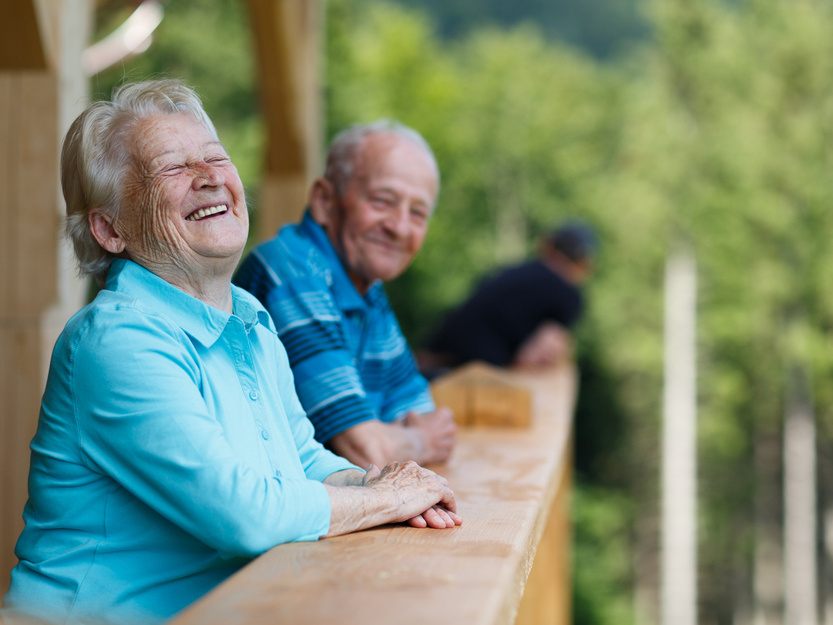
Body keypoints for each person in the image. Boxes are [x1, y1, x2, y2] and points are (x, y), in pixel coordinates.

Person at [0, 80, 461, 625]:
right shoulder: (115, 340)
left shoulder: (249, 318)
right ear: (110, 228)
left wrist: (390, 484)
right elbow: (243, 514)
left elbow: (302, 458)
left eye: (216, 158)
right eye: (172, 168)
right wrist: (387, 501)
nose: (210, 176)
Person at [234, 121, 456, 469]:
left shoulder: (365, 286)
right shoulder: (292, 272)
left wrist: (391, 436)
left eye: (417, 213)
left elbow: (418, 407)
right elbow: (364, 451)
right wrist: (417, 441)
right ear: (324, 200)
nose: (399, 227)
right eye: (383, 201)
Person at [420, 223, 596, 371]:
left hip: (430, 360)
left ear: (547, 245)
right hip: (474, 374)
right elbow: (531, 358)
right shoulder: (568, 294)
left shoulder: (510, 271)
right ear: (585, 265)